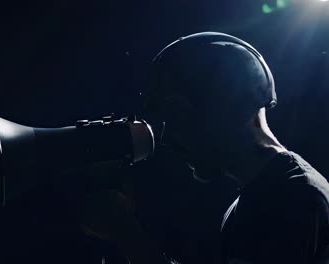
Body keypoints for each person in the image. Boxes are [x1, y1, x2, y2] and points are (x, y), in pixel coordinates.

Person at [80, 32, 329, 264]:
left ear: (225, 108)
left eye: (179, 117)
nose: (169, 140)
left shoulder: (290, 198)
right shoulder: (265, 196)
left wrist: (125, 231)